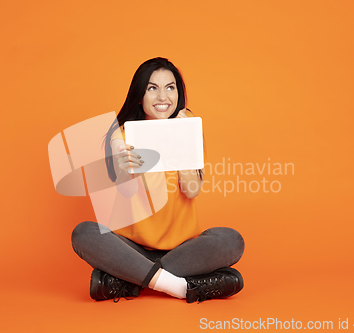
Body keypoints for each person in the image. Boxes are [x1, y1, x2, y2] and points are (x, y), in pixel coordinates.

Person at [71, 57, 245, 303]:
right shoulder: (122, 133)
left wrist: (183, 140)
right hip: (130, 247)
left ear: (178, 93)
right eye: (152, 88)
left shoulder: (189, 128)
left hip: (182, 250)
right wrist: (120, 159)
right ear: (139, 96)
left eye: (170, 87)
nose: (163, 96)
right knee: (84, 233)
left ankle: (127, 279)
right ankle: (181, 287)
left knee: (231, 240)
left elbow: (192, 190)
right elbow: (123, 171)